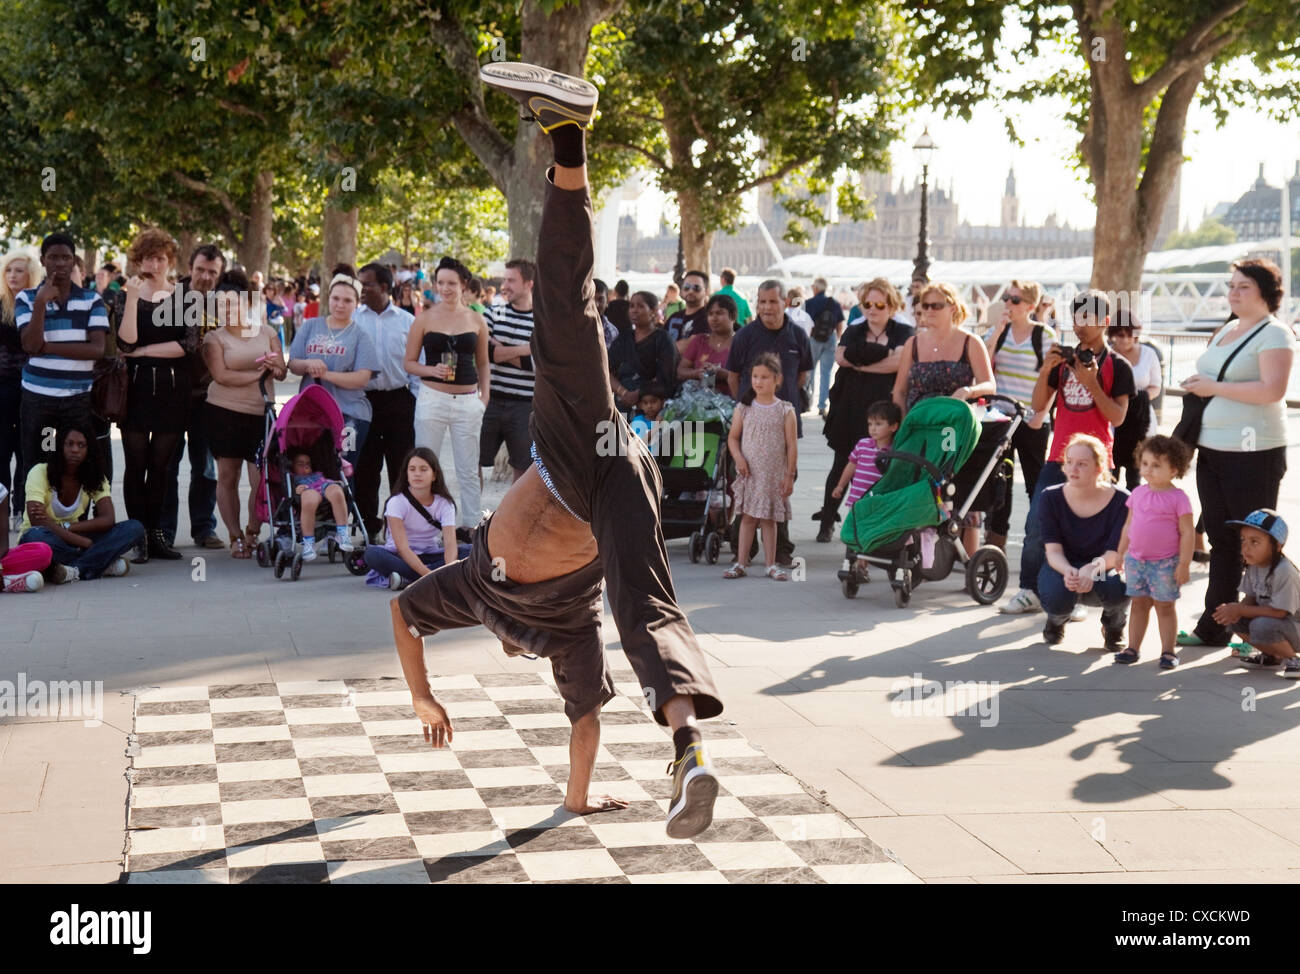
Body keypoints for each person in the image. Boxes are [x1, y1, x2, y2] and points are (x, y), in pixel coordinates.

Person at [392, 61, 723, 836]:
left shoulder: (476, 592)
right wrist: (574, 799)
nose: (511, 649)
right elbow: (582, 726)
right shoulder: (571, 635)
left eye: (509, 649)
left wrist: (421, 694)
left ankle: (569, 142)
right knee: (646, 608)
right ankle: (688, 748)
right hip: (611, 480)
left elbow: (405, 615)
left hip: (581, 458)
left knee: (563, 318)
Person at [1177, 259, 1293, 650]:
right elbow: (1216, 381)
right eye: (1231, 285)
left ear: (1265, 292)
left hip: (1254, 452)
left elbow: (1272, 390)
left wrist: (1213, 387)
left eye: (1243, 286)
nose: (1233, 292)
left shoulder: (1275, 333)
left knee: (1257, 544)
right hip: (1213, 449)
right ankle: (1213, 625)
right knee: (1221, 541)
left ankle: (1254, 629)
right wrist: (1200, 386)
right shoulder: (1227, 328)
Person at [1000, 290, 1135, 616]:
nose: (1080, 326)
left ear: (1104, 321)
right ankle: (1029, 590)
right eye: (1076, 318)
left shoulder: (1117, 365)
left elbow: (1117, 417)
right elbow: (1037, 407)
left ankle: (1074, 592)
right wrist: (1046, 370)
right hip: (1058, 456)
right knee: (1037, 523)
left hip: (1098, 463)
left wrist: (1091, 383)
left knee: (1089, 530)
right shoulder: (1062, 361)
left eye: (1088, 318)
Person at [891, 281, 997, 554]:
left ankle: (970, 558)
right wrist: (901, 427)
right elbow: (900, 390)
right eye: (924, 305)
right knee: (920, 486)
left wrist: (968, 390)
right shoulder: (913, 343)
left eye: (935, 305)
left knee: (962, 488)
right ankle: (918, 553)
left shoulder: (970, 342)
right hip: (920, 427)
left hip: (955, 428)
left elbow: (990, 384)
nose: (928, 310)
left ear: (952, 307)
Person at [114, 228, 197, 563]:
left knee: (161, 466)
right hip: (135, 389)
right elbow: (125, 343)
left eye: (161, 257)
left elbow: (187, 346)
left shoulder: (184, 296)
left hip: (173, 389)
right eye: (149, 257)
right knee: (136, 465)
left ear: (170, 260)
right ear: (138, 260)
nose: (155, 263)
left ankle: (157, 534)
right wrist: (133, 299)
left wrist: (146, 350)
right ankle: (138, 536)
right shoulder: (125, 295)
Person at [818, 279, 913, 543]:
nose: (873, 309)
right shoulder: (854, 330)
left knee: (884, 466)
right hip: (851, 406)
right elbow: (840, 357)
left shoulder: (903, 331)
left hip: (884, 408)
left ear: (891, 305)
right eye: (867, 304)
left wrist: (860, 364)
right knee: (842, 464)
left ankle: (877, 526)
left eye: (879, 304)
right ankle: (827, 521)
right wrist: (881, 357)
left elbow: (900, 363)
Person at [725, 279, 813, 565]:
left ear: (785, 302)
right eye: (761, 302)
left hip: (784, 422)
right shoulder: (745, 336)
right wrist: (748, 403)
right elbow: (733, 376)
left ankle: (781, 550)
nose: (766, 307)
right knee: (748, 485)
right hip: (751, 426)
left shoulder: (797, 335)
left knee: (781, 486)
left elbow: (802, 375)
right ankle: (744, 551)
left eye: (772, 301)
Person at [203, 269, 287, 558]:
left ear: (246, 304)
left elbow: (282, 370)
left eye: (232, 303)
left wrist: (275, 368)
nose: (227, 310)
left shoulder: (267, 332)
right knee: (227, 476)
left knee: (260, 479)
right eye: (221, 305)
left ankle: (253, 529)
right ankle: (235, 535)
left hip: (260, 413)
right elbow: (221, 375)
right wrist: (258, 375)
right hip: (223, 413)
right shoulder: (214, 338)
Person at [404, 256, 490, 530]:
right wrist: (431, 371)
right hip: (432, 400)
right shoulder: (425, 318)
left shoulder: (477, 319)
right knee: (425, 465)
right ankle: (425, 526)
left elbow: (484, 362)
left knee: (468, 469)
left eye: (451, 283)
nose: (446, 288)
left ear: (464, 285)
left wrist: (483, 397)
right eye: (441, 282)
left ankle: (473, 527)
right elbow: (408, 363)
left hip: (468, 402)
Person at [16, 233, 108, 479]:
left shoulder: (92, 300)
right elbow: (30, 343)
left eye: (65, 258)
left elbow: (96, 350)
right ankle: (32, 517)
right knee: (37, 462)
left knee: (75, 464)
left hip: (76, 399)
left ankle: (74, 517)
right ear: (43, 260)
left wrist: (46, 348)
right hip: (38, 398)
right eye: (53, 257)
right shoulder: (26, 298)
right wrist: (40, 304)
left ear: (74, 261)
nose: (59, 263)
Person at [159, 243, 226, 552]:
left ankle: (204, 528)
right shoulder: (169, 299)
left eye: (212, 272)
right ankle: (164, 532)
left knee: (206, 468)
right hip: (172, 397)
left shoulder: (225, 304)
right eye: (200, 269)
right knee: (166, 467)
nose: (205, 276)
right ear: (189, 268)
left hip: (209, 400)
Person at [1037, 434, 1131, 649]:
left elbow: (1116, 554)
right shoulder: (1050, 497)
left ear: (1099, 468)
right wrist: (1068, 570)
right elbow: (1053, 551)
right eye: (1069, 462)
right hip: (1064, 566)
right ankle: (1056, 620)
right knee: (1056, 595)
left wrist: (1091, 568)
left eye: (1081, 464)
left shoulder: (1122, 500)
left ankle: (1114, 626)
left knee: (1120, 584)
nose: (1073, 469)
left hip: (1103, 567)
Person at [288, 265, 381, 482]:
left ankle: (342, 516)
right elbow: (293, 363)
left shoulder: (360, 335)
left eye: (347, 300)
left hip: (349, 415)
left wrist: (325, 374)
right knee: (311, 473)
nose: (340, 305)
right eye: (336, 298)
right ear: (328, 298)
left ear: (356, 303)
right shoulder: (310, 326)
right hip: (311, 414)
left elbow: (362, 377)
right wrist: (308, 364)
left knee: (341, 474)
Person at [18, 424, 143, 583]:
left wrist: (68, 528)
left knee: (134, 528)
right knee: (35, 536)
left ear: (88, 449)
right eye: (69, 444)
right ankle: (100, 563)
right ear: (60, 446)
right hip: (46, 538)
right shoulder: (40, 472)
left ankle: (74, 570)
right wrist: (84, 542)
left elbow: (107, 519)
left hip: (72, 535)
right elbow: (37, 522)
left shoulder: (96, 477)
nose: (75, 450)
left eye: (81, 445)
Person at [983, 279, 1055, 551]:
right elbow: (983, 364)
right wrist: (998, 330)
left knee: (1035, 482)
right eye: (1006, 299)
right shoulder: (998, 332)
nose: (1008, 305)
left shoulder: (1044, 335)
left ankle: (1037, 540)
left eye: (1015, 300)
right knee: (1000, 481)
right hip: (1001, 417)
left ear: (1030, 306)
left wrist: (1040, 415)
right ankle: (995, 540)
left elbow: (1053, 379)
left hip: (1032, 418)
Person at [1112, 435, 1194, 668]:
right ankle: (1132, 648)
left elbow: (1187, 533)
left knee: (1165, 606)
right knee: (1138, 604)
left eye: (1157, 465)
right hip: (1136, 561)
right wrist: (1120, 552)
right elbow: (1129, 524)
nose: (1149, 469)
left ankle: (1168, 651)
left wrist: (1184, 564)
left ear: (1174, 469)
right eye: (1145, 463)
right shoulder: (1137, 493)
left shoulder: (1178, 498)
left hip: (1166, 563)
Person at [354, 262, 416, 541]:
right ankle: (368, 527)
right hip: (363, 402)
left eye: (366, 284)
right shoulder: (354, 320)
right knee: (365, 467)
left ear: (383, 287)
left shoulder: (407, 322)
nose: (361, 289)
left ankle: (399, 528)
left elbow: (418, 365)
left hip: (399, 402)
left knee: (401, 468)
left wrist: (413, 401)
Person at [723, 353, 797, 581]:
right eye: (755, 376)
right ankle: (741, 563)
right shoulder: (744, 408)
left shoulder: (785, 410)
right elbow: (733, 438)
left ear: (777, 379)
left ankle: (770, 565)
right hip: (749, 473)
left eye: (764, 377)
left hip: (773, 475)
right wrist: (738, 459)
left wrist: (789, 476)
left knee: (769, 519)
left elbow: (791, 445)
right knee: (746, 517)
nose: (758, 381)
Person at [363, 447, 469, 590]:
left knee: (473, 550)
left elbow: (450, 543)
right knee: (372, 554)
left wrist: (448, 569)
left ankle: (408, 579)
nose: (417, 474)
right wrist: (429, 576)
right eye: (412, 469)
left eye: (423, 469)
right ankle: (428, 578)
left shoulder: (445, 504)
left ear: (434, 475)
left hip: (430, 554)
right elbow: (402, 548)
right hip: (399, 557)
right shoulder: (397, 502)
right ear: (406, 474)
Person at [1217, 510, 1300, 677]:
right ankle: (1273, 656)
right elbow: (1250, 597)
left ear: (1277, 546)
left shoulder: (1283, 571)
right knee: (1235, 620)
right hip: (1278, 624)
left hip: (1293, 625)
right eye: (1243, 540)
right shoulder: (1254, 565)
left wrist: (1240, 610)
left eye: (1255, 542)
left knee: (1260, 625)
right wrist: (1233, 611)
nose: (1246, 547)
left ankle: (1293, 659)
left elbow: (1280, 612)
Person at [479, 259, 537, 485]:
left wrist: (498, 349)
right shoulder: (492, 313)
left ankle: (514, 520)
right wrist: (526, 349)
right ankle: (475, 517)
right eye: (505, 279)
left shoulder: (542, 320)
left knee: (523, 467)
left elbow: (537, 365)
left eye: (511, 280)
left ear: (529, 284)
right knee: (476, 462)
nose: (505, 285)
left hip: (525, 405)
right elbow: (485, 353)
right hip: (490, 400)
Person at [1, 250, 38, 530]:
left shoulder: (37, 305)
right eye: (9, 270)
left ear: (31, 275)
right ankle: (3, 512)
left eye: (19, 270)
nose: (13, 275)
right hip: (1, 388)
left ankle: (20, 510)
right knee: (1, 453)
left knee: (26, 452)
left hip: (30, 387)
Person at [1107, 310, 1161, 489]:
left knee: (1135, 474)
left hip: (1140, 420)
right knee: (1110, 473)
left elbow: (1155, 386)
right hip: (1113, 419)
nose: (1125, 339)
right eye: (1120, 335)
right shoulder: (1107, 356)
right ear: (1113, 335)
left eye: (1130, 335)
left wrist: (1138, 399)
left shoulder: (1149, 354)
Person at [607, 290, 679, 412]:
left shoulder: (663, 339)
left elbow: (667, 378)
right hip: (622, 405)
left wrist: (639, 393)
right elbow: (606, 371)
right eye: (632, 306)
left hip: (651, 408)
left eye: (640, 306)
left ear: (654, 311)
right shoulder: (624, 338)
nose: (634, 310)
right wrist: (623, 393)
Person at [830, 399, 901, 509]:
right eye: (870, 424)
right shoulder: (862, 444)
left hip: (879, 502)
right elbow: (851, 465)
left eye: (878, 424)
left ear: (893, 426)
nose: (873, 428)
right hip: (857, 500)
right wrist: (840, 485)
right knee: (854, 525)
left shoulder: (895, 451)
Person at [287, 448, 355, 561]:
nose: (306, 466)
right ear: (292, 466)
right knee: (309, 499)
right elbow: (291, 491)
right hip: (307, 489)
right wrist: (296, 490)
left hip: (323, 484)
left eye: (308, 463)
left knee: (337, 491)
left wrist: (336, 483)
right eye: (301, 464)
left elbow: (326, 481)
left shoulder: (317, 474)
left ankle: (343, 533)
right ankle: (308, 542)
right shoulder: (293, 478)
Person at [677, 293, 736, 395]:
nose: (714, 318)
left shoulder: (741, 343)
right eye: (710, 314)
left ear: (733, 316)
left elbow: (750, 377)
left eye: (719, 313)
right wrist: (698, 373)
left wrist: (722, 374)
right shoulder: (699, 341)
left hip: (730, 404)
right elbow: (680, 371)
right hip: (699, 403)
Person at [804, 276, 844, 418]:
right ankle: (822, 405)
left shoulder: (809, 303)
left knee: (811, 371)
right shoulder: (833, 303)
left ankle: (808, 402)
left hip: (814, 338)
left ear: (815, 288)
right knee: (826, 373)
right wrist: (838, 337)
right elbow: (839, 322)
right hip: (830, 338)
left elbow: (806, 322)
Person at [1, 481, 51, 592]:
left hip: (1, 560)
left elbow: (3, 544)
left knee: (43, 551)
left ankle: (5, 579)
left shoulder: (0, 491)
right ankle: (7, 583)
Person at [664, 270, 709, 346]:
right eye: (686, 287)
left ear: (706, 292)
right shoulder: (674, 317)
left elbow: (692, 345)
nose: (691, 291)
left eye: (696, 287)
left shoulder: (709, 318)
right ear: (681, 290)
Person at [592, 278, 619, 347]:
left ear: (607, 302)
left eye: (600, 299)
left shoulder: (611, 331)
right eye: (591, 300)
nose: (596, 304)